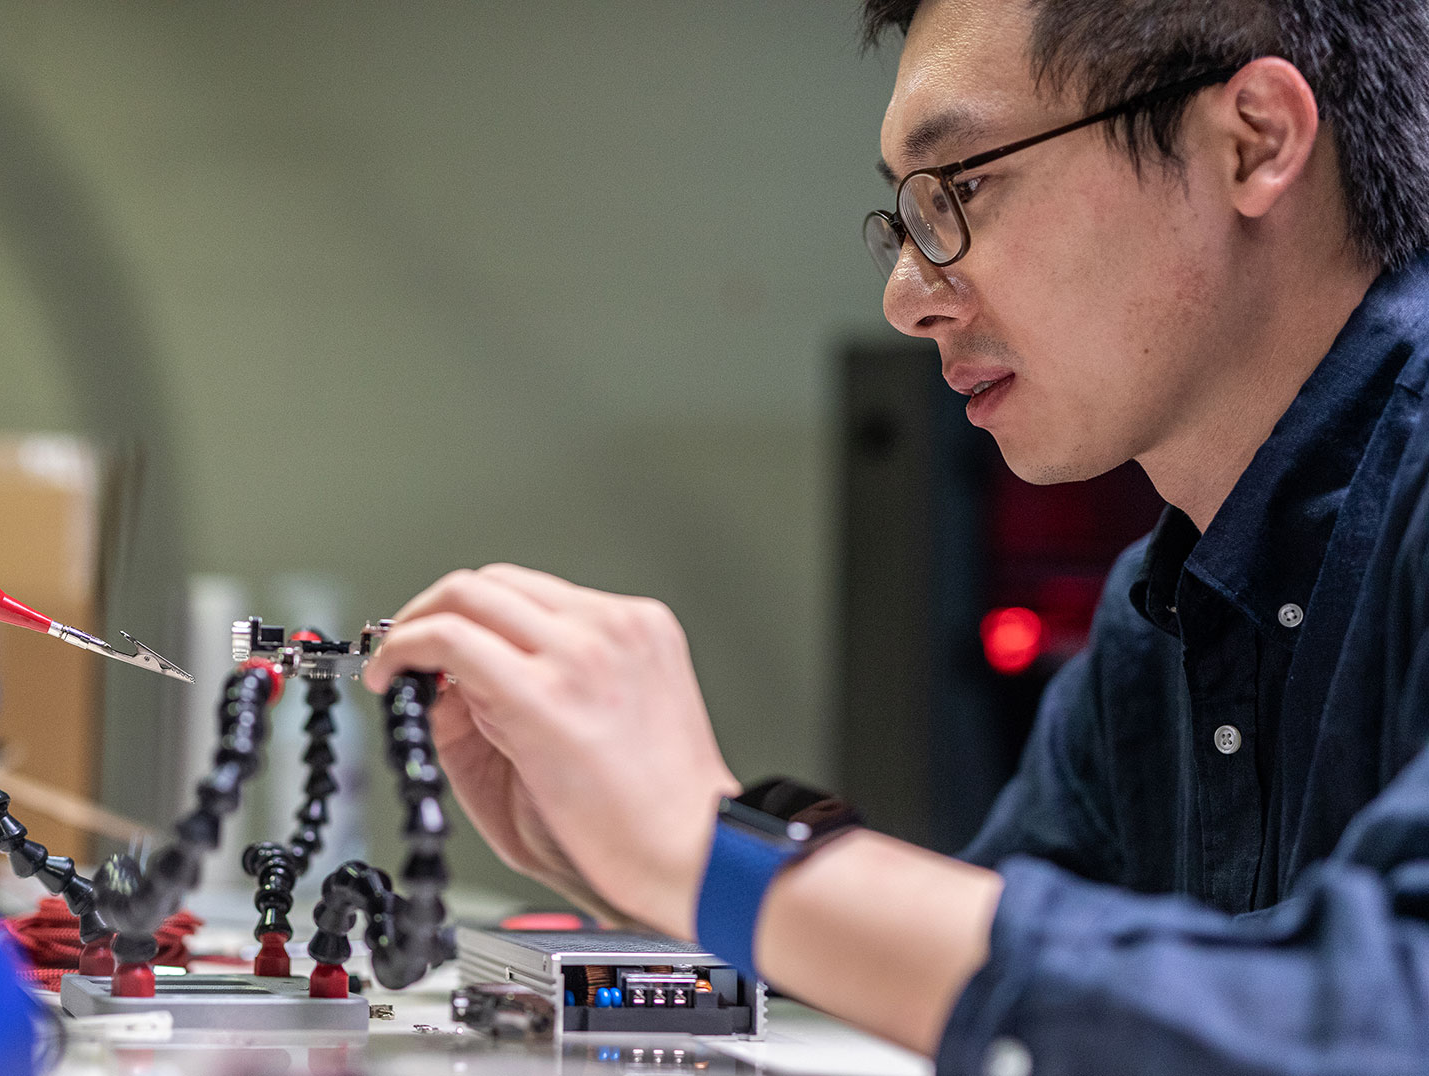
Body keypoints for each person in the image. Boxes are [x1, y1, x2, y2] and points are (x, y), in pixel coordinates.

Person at [360, 0, 1429, 1072]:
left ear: (1252, 140)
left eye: (963, 186)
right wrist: (633, 854)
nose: (905, 296)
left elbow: (1382, 1016)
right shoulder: (1159, 614)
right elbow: (1013, 973)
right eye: (906, 217)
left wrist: (710, 848)